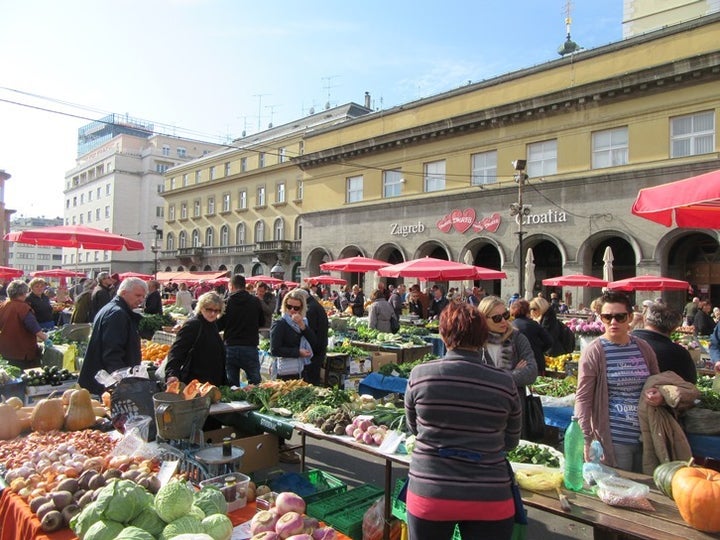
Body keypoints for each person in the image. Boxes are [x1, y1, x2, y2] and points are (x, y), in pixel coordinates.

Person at [404, 302, 521, 540]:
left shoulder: (420, 375)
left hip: (431, 491)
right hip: (489, 494)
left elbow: (414, 428)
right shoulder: (504, 382)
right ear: (483, 337)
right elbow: (511, 441)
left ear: (443, 335)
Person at [574, 291, 659, 472]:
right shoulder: (595, 351)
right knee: (621, 489)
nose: (613, 322)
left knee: (649, 492)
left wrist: (658, 394)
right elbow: (583, 397)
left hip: (647, 435)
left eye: (619, 317)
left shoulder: (643, 347)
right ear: (601, 318)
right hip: (614, 439)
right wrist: (585, 438)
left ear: (630, 317)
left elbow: (656, 381)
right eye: (607, 317)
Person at [270, 289, 320, 464]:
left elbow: (314, 341)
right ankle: (279, 445)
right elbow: (274, 349)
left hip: (300, 371)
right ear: (284, 306)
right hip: (284, 372)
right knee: (281, 409)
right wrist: (297, 352)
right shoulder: (280, 324)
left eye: (296, 308)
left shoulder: (303, 322)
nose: (293, 311)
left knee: (293, 409)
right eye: (289, 307)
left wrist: (303, 327)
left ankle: (284, 444)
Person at [478, 296, 538, 439]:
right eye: (497, 318)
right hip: (484, 409)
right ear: (483, 319)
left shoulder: (517, 338)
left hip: (513, 409)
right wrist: (512, 373)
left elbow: (531, 372)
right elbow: (474, 375)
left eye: (505, 315)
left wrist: (493, 377)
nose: (504, 321)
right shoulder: (476, 342)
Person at [78, 278, 148, 396]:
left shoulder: (112, 309)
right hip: (105, 384)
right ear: (124, 293)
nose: (141, 300)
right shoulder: (117, 313)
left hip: (102, 380)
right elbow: (112, 353)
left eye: (143, 297)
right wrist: (122, 383)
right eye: (138, 295)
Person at [165, 291, 226, 386]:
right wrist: (172, 373)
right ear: (201, 308)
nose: (213, 313)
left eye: (216, 310)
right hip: (195, 381)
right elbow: (177, 350)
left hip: (212, 381)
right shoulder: (193, 324)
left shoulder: (212, 324)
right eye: (209, 309)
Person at [216, 274, 264, 386]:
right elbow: (261, 322)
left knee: (232, 386)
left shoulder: (227, 303)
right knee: (255, 384)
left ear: (231, 286)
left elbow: (219, 325)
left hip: (231, 346)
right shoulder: (255, 301)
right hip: (250, 346)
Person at [632, 302, 697, 384]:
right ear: (674, 328)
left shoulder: (623, 341)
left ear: (645, 319)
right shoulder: (678, 354)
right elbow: (689, 385)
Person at [0, 280, 48, 369]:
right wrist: (46, 338)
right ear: (23, 293)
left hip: (5, 349)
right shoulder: (23, 307)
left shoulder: (3, 305)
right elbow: (33, 327)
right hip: (21, 351)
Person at [511, 298, 553, 375]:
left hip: (518, 363)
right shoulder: (534, 324)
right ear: (528, 310)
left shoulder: (510, 326)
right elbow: (549, 341)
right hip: (536, 361)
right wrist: (539, 349)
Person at [299, 287, 328, 386]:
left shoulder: (310, 308)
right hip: (320, 347)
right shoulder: (315, 305)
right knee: (314, 377)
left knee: (311, 379)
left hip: (315, 349)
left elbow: (309, 330)